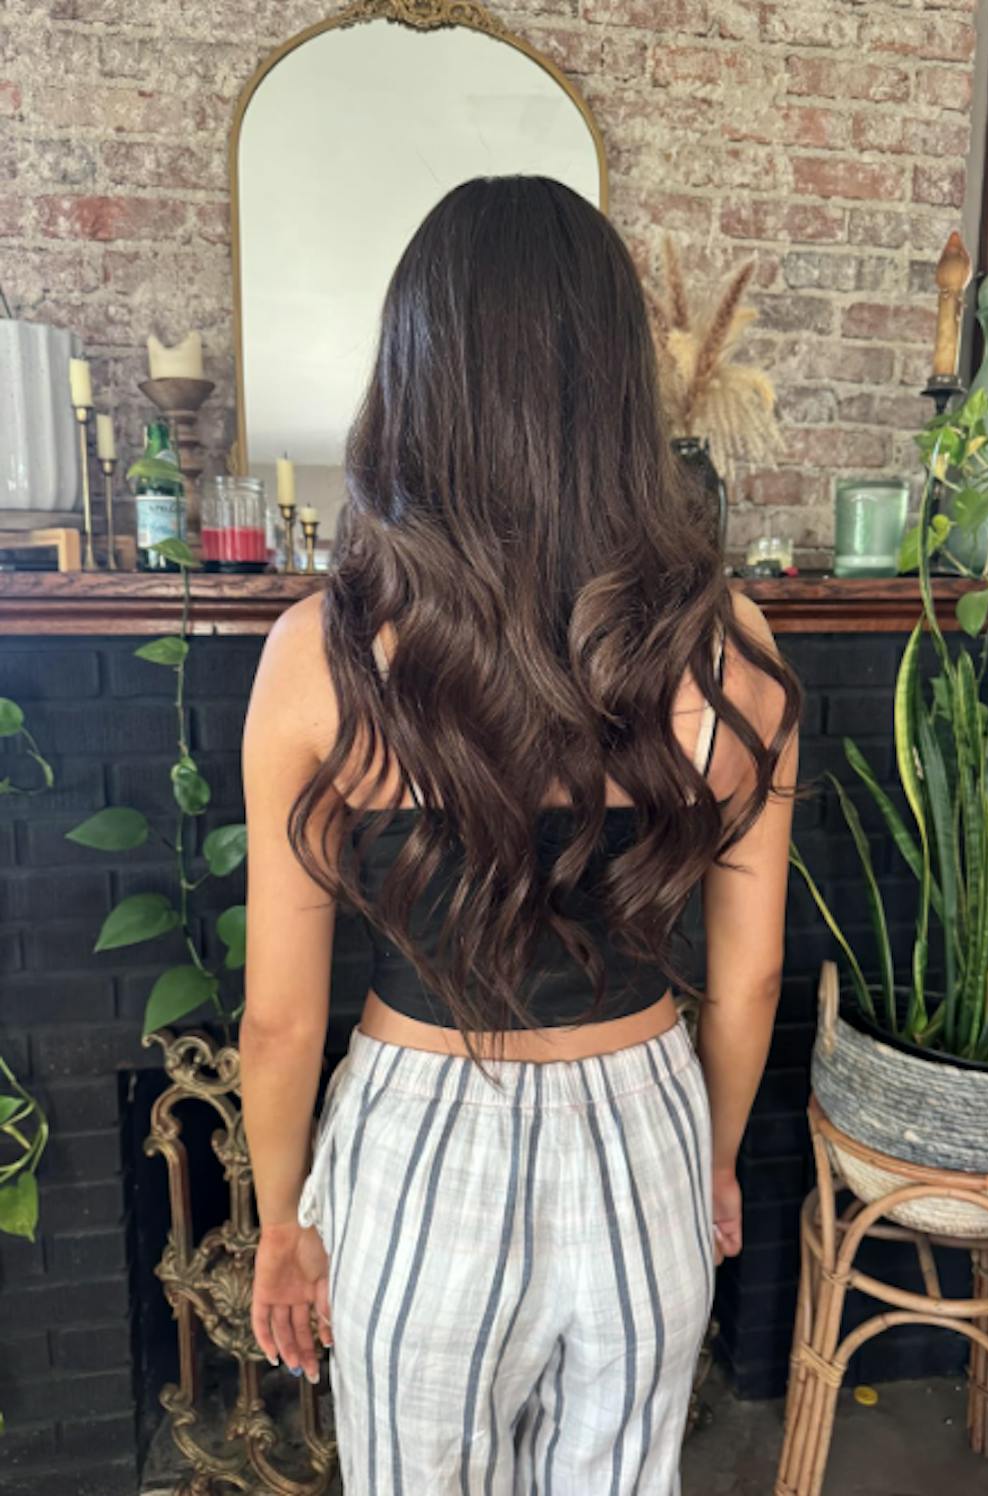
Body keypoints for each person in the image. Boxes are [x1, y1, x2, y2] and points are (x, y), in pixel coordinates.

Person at [240, 175, 800, 1495]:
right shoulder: (730, 646)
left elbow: (277, 1021)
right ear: (620, 388)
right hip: (644, 1135)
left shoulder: (321, 656)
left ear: (413, 382)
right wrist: (714, 1161)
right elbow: (752, 979)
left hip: (417, 1147)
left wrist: (281, 1223)